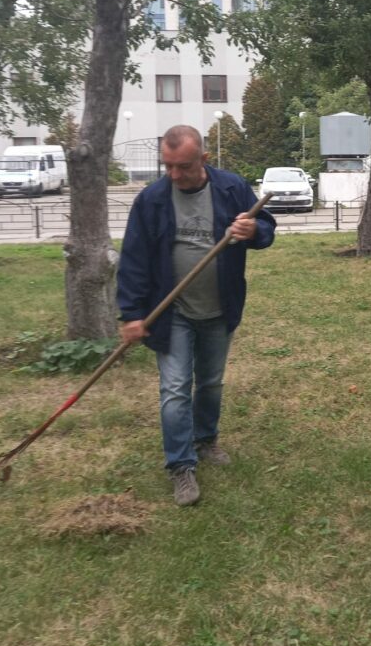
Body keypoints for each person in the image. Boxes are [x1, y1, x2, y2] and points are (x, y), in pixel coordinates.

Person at [117, 125, 276, 506]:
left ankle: (205, 440)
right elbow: (134, 260)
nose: (174, 175)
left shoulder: (231, 188)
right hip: (171, 313)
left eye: (183, 166)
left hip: (220, 308)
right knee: (174, 390)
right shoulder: (152, 200)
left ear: (204, 159)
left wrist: (253, 228)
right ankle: (180, 465)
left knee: (209, 383)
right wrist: (132, 314)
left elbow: (268, 230)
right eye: (167, 166)